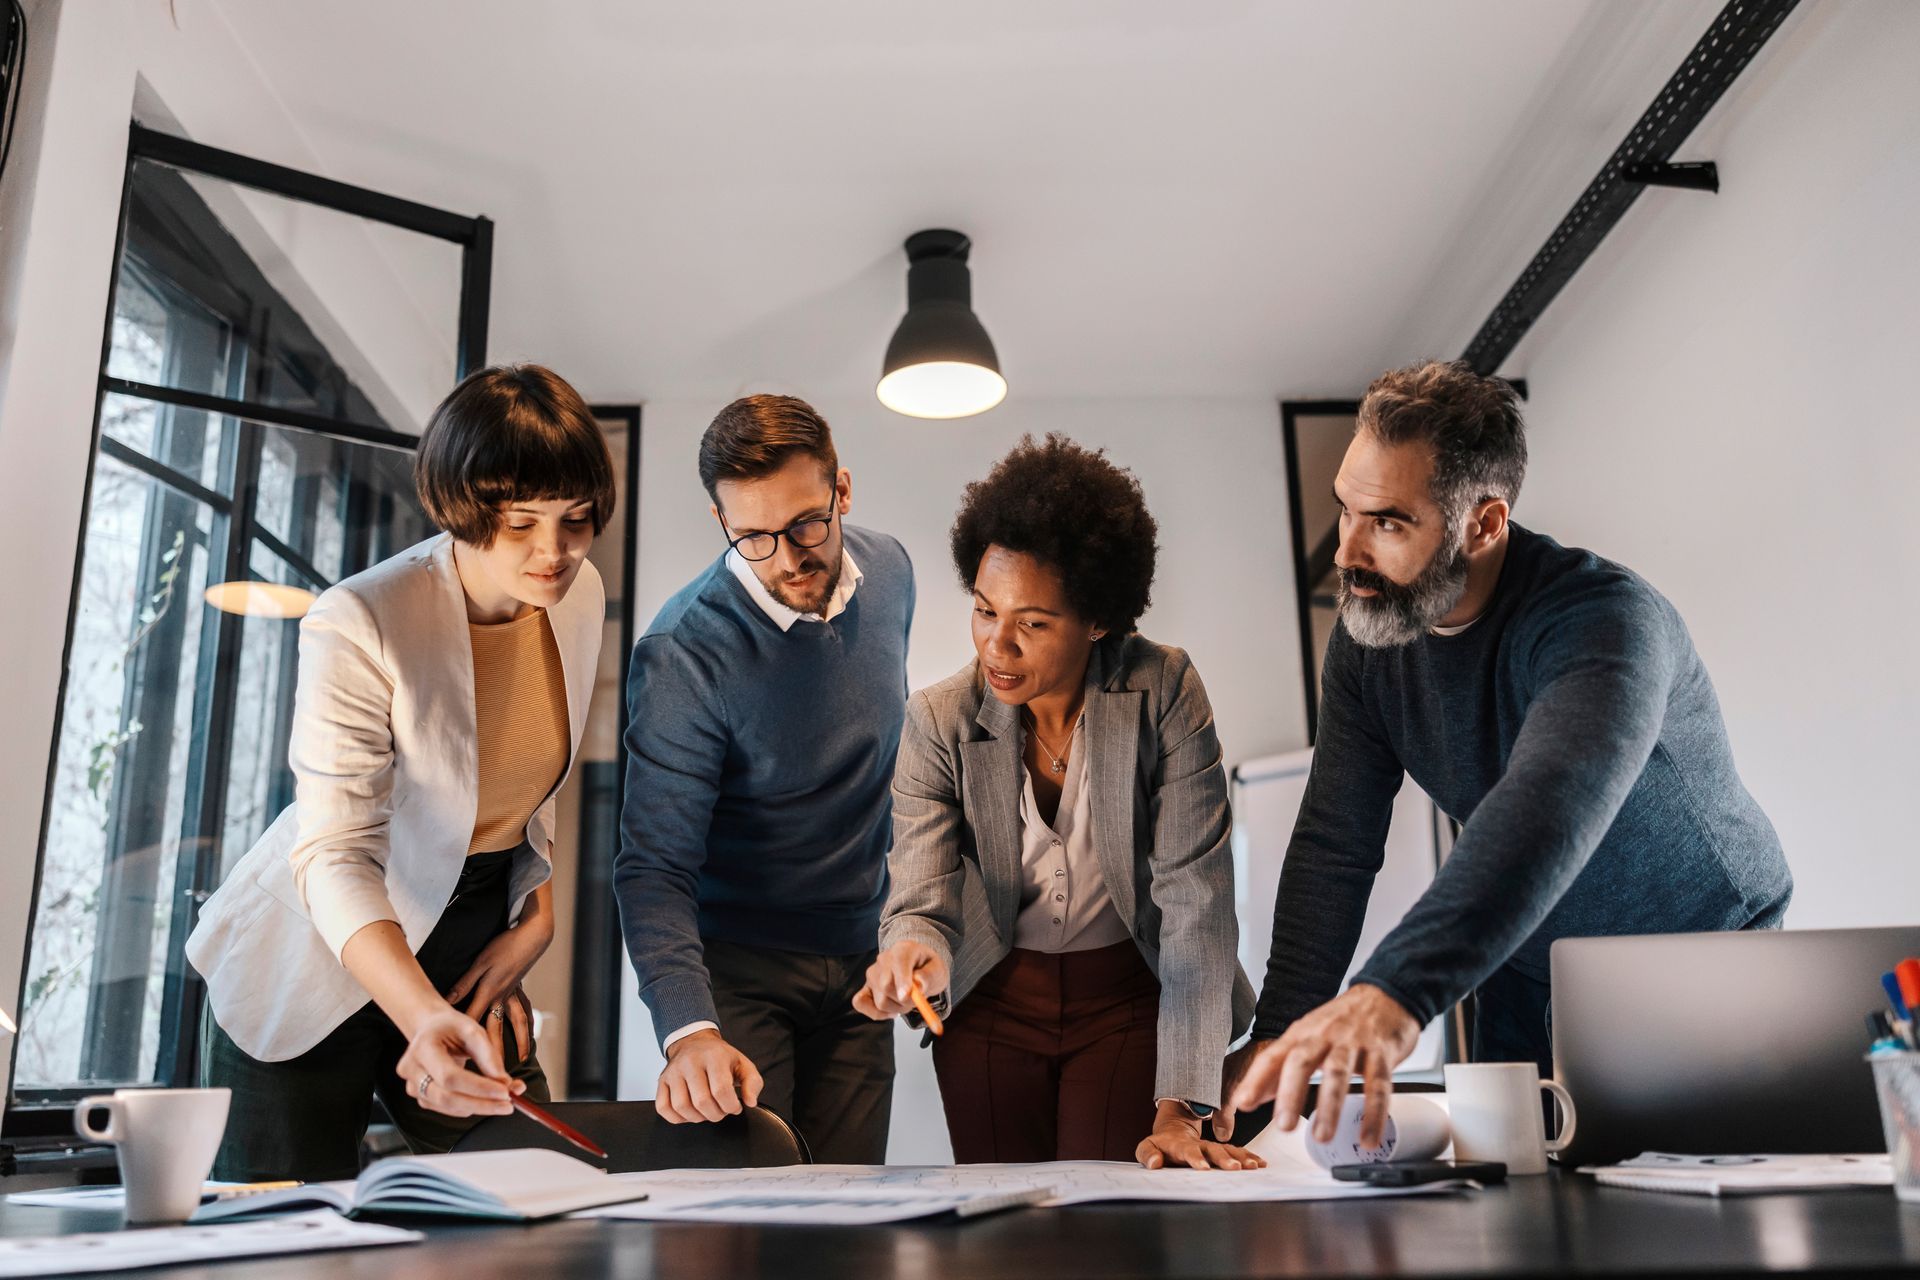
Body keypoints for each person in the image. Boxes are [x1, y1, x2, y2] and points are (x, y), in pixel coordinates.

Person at [1222, 359, 1793, 1150]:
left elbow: (1550, 801)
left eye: (1387, 521)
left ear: (1484, 524)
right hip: (1525, 958)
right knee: (1514, 1194)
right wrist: (1274, 1046)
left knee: (1680, 1209)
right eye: (1343, 511)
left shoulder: (1605, 622)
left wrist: (1395, 990)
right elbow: (1334, 848)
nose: (1346, 552)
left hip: (1692, 955)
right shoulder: (1368, 644)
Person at [187, 364, 613, 1181]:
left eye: (576, 519)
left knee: (534, 1196)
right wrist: (418, 1013)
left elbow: (528, 784)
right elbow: (335, 853)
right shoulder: (363, 619)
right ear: (461, 508)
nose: (553, 551)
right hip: (323, 949)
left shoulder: (579, 595)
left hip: (466, 937)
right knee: (290, 1239)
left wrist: (537, 914)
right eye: (521, 522)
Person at [856, 434, 1260, 1170]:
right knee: (1003, 1229)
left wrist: (1179, 1109)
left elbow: (1195, 899)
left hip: (1128, 1004)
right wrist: (911, 950)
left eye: (1033, 624)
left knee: (1110, 1223)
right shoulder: (938, 718)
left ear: (1099, 620)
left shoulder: (1163, 689)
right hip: (991, 1002)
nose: (996, 647)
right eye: (984, 611)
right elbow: (922, 891)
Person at [614, 395, 913, 1163]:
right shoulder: (683, 654)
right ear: (722, 523)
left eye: (808, 523)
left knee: (853, 1216)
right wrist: (690, 1031)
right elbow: (654, 867)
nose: (787, 558)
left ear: (842, 491)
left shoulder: (892, 574)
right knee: (751, 1216)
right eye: (753, 536)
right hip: (737, 972)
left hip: (860, 962)